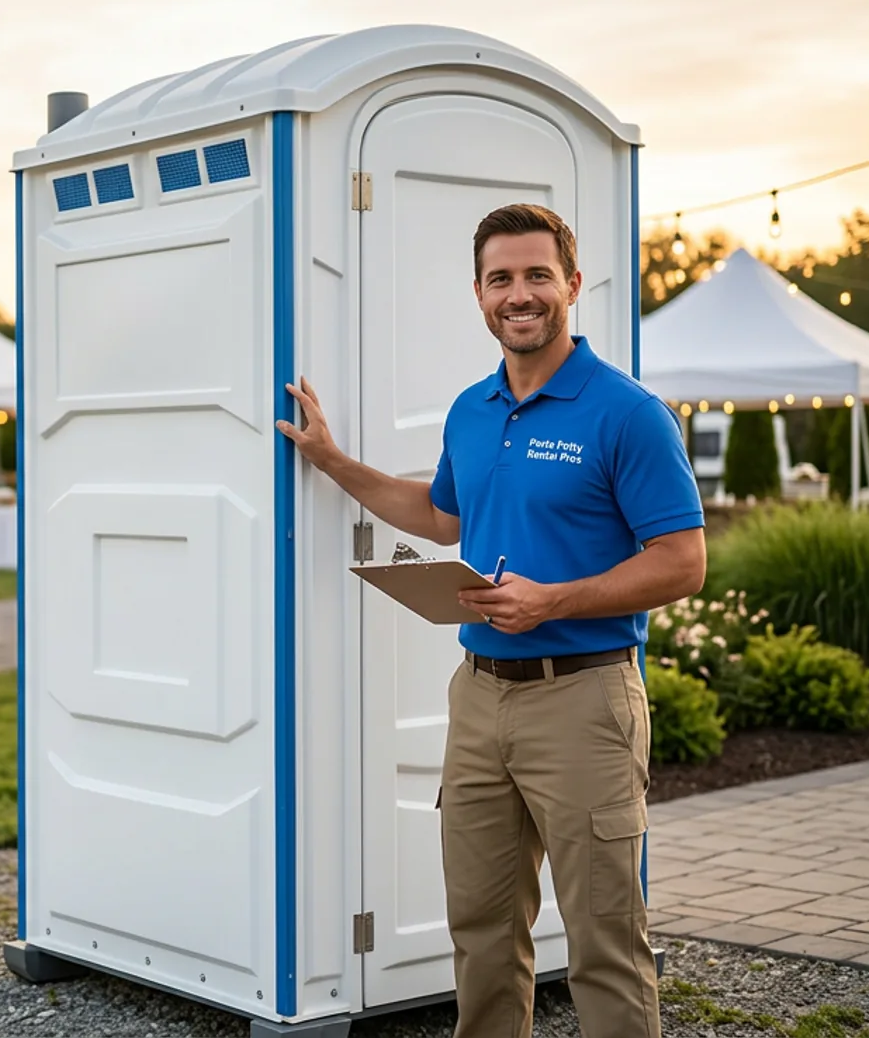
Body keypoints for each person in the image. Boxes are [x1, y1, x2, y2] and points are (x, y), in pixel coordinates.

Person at [277, 204, 705, 1038]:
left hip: (584, 702)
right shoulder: (471, 411)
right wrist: (332, 462)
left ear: (572, 286)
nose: (520, 294)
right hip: (479, 701)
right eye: (501, 278)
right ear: (478, 293)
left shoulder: (627, 413)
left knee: (605, 941)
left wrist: (554, 599)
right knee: (480, 931)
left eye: (537, 275)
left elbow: (683, 562)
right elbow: (441, 516)